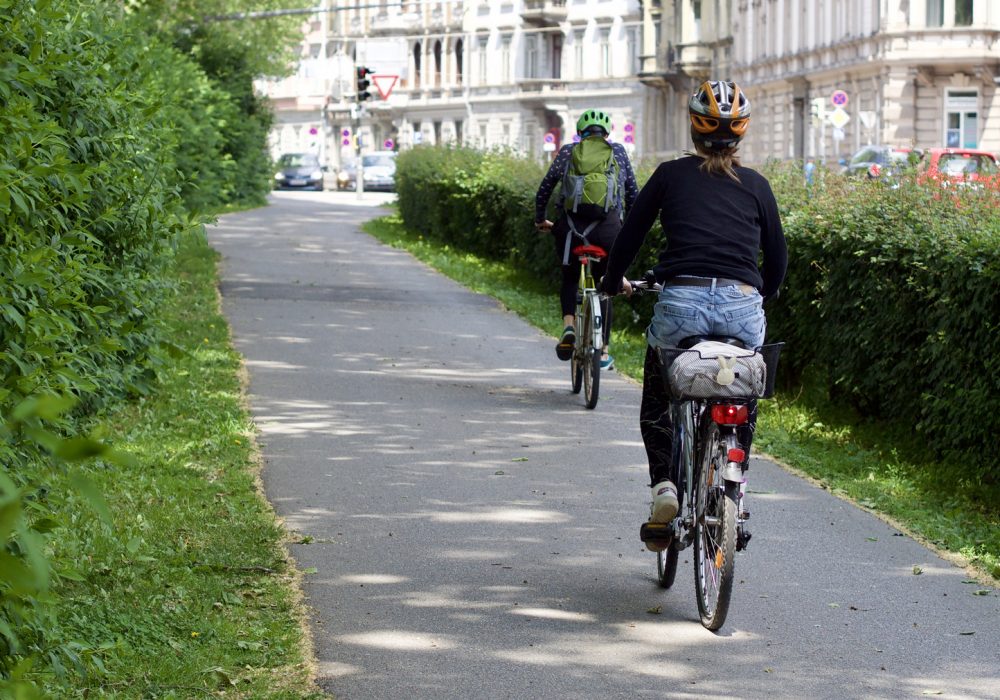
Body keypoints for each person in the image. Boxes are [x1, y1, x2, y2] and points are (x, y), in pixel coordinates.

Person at [598, 80, 787, 540]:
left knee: (659, 399)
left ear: (694, 130)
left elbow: (630, 235)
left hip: (681, 300)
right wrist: (766, 293)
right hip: (743, 307)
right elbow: (777, 257)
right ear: (740, 134)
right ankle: (733, 489)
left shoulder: (669, 175)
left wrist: (611, 281)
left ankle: (665, 484)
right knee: (740, 391)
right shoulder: (757, 185)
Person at [535, 109, 639, 370]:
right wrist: (626, 228)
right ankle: (603, 351)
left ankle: (569, 326)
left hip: (570, 229)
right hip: (608, 231)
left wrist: (541, 219)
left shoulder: (569, 152)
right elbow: (633, 194)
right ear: (607, 133)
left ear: (580, 132)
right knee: (608, 283)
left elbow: (545, 188)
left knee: (570, 277)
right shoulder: (618, 153)